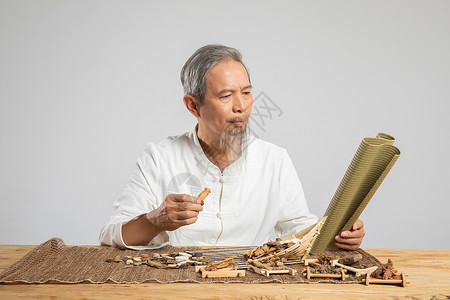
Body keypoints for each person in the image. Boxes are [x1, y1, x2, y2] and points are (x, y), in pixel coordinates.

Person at [99, 44, 365, 250]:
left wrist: (339, 236)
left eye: (246, 93)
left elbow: (298, 229)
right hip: (175, 286)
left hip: (252, 286)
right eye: (226, 96)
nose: (241, 107)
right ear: (193, 105)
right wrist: (154, 221)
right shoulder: (160, 157)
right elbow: (111, 235)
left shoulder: (274, 160)